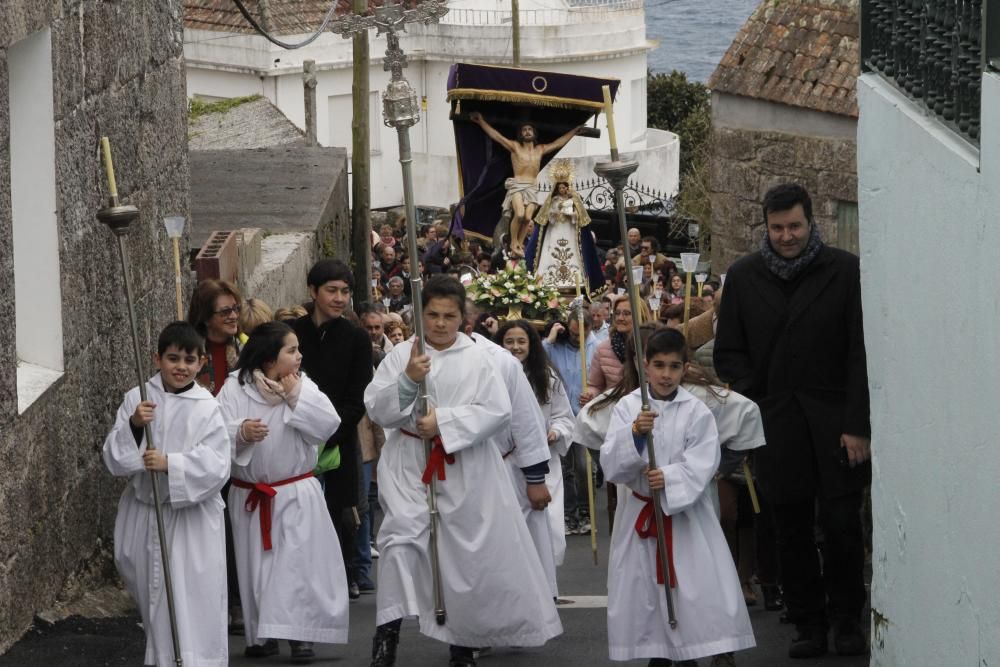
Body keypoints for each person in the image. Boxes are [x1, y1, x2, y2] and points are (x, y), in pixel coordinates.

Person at [365, 276, 561, 667]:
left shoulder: (481, 358)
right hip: (410, 464)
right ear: (419, 315)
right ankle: (387, 636)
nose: (439, 324)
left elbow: (498, 410)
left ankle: (464, 643)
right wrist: (409, 381)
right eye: (432, 315)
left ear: (463, 317)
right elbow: (378, 408)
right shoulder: (401, 355)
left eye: (449, 316)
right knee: (401, 543)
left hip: (466, 465)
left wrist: (445, 422)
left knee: (464, 559)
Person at [713, 183, 870, 659]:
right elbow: (728, 354)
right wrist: (757, 398)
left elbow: (860, 353)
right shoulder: (742, 277)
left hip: (836, 423)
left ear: (810, 222)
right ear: (766, 225)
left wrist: (858, 425)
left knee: (843, 524)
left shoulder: (845, 271)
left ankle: (847, 620)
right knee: (790, 528)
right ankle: (808, 623)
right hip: (775, 424)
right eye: (778, 227)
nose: (786, 236)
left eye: (795, 226)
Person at [601, 328, 755, 665]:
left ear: (685, 367)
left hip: (687, 516)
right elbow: (611, 464)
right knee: (648, 593)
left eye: (674, 366)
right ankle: (660, 649)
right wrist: (635, 436)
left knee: (696, 588)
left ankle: (707, 646)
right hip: (642, 513)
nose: (666, 374)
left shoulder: (695, 411)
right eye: (658, 365)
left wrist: (668, 477)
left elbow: (704, 460)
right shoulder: (629, 407)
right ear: (645, 365)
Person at [218, 321, 348, 662]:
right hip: (250, 495)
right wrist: (241, 432)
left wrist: (295, 399)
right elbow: (214, 431)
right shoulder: (234, 388)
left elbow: (329, 425)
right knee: (256, 567)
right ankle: (263, 634)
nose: (299, 356)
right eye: (291, 350)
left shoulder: (303, 386)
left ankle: (300, 636)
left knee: (295, 566)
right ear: (267, 359)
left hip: (294, 492)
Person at [102, 321, 230, 667]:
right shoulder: (139, 398)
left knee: (189, 599)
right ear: (156, 358)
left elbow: (218, 465)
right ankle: (161, 657)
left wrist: (171, 464)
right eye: (172, 358)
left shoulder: (207, 407)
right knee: (153, 596)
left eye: (189, 360)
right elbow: (114, 457)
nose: (180, 367)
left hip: (190, 521)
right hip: (145, 512)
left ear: (201, 362)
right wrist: (134, 426)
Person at [292, 260, 374, 601]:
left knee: (340, 510)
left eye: (345, 292)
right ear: (313, 291)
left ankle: (343, 574)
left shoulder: (356, 338)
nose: (339, 298)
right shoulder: (292, 332)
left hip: (338, 438)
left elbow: (359, 397)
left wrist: (329, 432)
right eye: (332, 290)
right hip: (295, 437)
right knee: (299, 515)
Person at [497, 319, 575, 575]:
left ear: (531, 344)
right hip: (504, 463)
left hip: (543, 463)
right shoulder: (491, 375)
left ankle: (545, 580)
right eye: (509, 342)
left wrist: (555, 431)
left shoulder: (547, 377)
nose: (516, 347)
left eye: (521, 341)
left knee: (546, 527)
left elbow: (564, 416)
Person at [469, 112, 584, 258]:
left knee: (528, 218)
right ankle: (513, 243)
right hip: (517, 185)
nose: (527, 132)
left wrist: (574, 131)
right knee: (520, 214)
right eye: (524, 130)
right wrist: (481, 121)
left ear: (534, 133)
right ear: (520, 134)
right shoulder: (515, 147)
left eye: (529, 129)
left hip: (531, 187)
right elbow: (497, 136)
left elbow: (558, 143)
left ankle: (519, 244)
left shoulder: (540, 149)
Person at [543, 308, 599, 535]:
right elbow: (537, 358)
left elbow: (600, 380)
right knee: (565, 469)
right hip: (562, 417)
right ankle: (568, 514)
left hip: (585, 417)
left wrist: (593, 393)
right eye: (574, 334)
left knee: (584, 468)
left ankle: (587, 512)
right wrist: (550, 339)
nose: (578, 338)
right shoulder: (555, 347)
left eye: (581, 335)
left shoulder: (596, 347)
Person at [524, 159, 605, 294]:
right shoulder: (553, 200)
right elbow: (545, 218)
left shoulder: (574, 200)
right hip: (555, 231)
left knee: (572, 250)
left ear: (568, 187)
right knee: (551, 250)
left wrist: (572, 216)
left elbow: (580, 219)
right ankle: (549, 279)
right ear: (556, 188)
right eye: (560, 187)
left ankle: (574, 280)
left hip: (569, 231)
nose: (562, 189)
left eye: (564, 187)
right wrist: (553, 214)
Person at [188, 279, 244, 396]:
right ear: (206, 318)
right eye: (225, 311)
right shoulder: (188, 354)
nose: (234, 316)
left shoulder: (244, 351)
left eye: (236, 309)